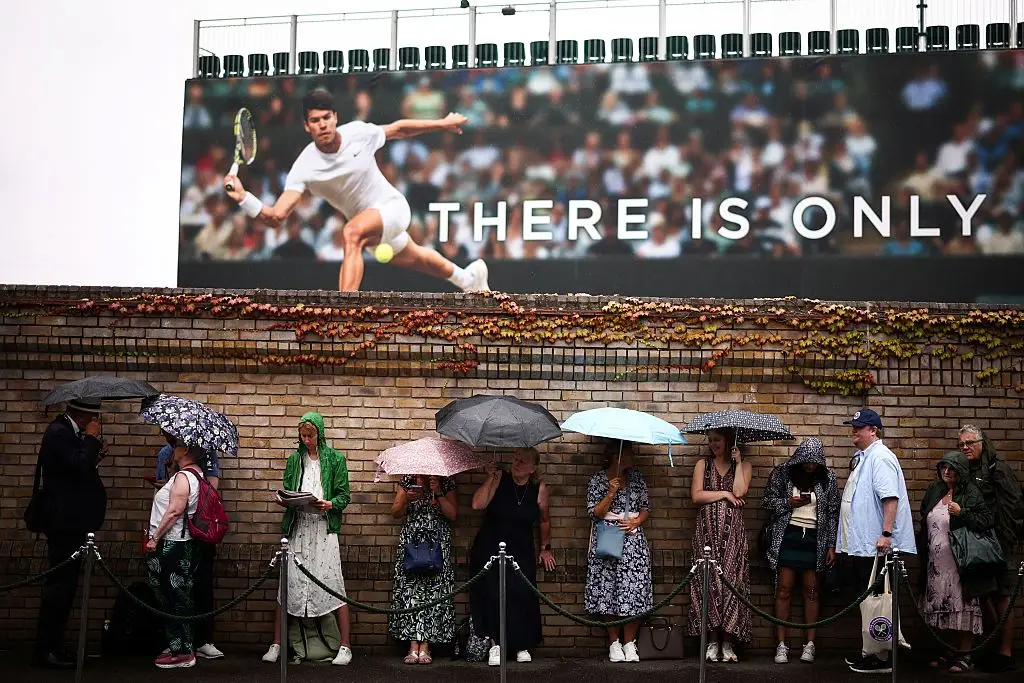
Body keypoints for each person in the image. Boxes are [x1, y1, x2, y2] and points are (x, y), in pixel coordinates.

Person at [223, 87, 490, 293]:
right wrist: (244, 197)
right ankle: (468, 279)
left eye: (326, 118)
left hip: (393, 208)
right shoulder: (304, 167)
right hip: (372, 232)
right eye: (315, 120)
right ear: (307, 126)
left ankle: (344, 316)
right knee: (419, 258)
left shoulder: (358, 133)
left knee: (350, 233)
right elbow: (275, 217)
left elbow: (399, 129)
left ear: (335, 118)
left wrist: (442, 123)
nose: (322, 124)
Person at [262, 412, 352, 666]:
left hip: (324, 529)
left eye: (310, 435)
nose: (306, 439)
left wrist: (329, 503)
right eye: (303, 435)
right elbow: (288, 490)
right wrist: (284, 500)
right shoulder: (294, 460)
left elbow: (344, 496)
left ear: (319, 433)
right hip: (299, 528)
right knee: (287, 585)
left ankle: (345, 646)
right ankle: (277, 643)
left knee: (333, 584)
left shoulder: (335, 459)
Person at [836, 408, 917, 675]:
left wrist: (886, 534)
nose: (854, 431)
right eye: (853, 426)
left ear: (873, 430)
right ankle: (872, 652)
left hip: (877, 546)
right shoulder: (865, 457)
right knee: (869, 601)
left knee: (878, 601)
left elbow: (890, 497)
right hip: (865, 546)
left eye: (859, 427)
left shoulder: (880, 457)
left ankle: (881, 657)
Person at [33, 398, 108, 669]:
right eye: (93, 415)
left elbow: (75, 470)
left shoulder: (68, 433)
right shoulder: (59, 433)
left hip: (73, 522)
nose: (96, 420)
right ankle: (46, 649)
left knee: (66, 588)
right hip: (64, 523)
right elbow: (77, 464)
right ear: (82, 414)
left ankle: (54, 646)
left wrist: (94, 453)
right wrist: (91, 440)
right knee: (59, 589)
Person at [469, 449, 556, 665]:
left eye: (523, 461)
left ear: (533, 468)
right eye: (515, 459)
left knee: (521, 594)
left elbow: (544, 520)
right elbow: (477, 504)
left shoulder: (538, 488)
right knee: (492, 595)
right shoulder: (500, 478)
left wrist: (545, 548)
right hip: (490, 546)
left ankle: (521, 644)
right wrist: (490, 478)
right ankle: (495, 645)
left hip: (521, 548)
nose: (517, 463)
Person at [762, 437, 840, 664]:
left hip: (815, 539)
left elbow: (833, 513)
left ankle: (810, 644)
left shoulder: (827, 478)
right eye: (806, 461)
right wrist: (788, 503)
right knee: (784, 589)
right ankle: (781, 645)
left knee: (812, 591)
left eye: (814, 462)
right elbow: (767, 501)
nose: (810, 465)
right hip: (788, 536)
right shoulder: (782, 474)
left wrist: (831, 545)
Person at [918, 451, 996, 674]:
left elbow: (986, 520)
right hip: (935, 563)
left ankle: (965, 654)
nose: (947, 471)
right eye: (944, 467)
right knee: (941, 608)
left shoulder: (970, 492)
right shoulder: (935, 490)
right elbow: (925, 516)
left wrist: (963, 512)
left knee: (962, 606)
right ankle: (948, 650)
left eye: (952, 468)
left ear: (961, 471)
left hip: (960, 563)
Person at [153, 432, 224, 661]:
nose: (169, 438)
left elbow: (208, 491)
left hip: (189, 533)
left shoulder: (203, 456)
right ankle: (179, 643)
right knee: (176, 592)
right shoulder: (166, 455)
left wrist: (155, 537)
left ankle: (197, 643)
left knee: (192, 588)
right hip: (176, 533)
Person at [957, 425, 1022, 673]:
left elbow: (1014, 506)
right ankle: (993, 647)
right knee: (983, 594)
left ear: (982, 442)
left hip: (999, 544)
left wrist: (1006, 540)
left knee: (1002, 596)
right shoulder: (968, 470)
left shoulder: (998, 469)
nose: (965, 448)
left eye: (970, 443)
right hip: (978, 544)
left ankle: (1005, 653)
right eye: (961, 444)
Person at [584, 440, 653, 664]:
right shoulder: (597, 480)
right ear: (617, 457)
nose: (633, 458)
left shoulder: (637, 479)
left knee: (634, 591)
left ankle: (629, 643)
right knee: (608, 591)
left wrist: (636, 521)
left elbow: (646, 508)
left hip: (633, 545)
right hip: (608, 541)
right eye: (630, 453)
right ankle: (614, 643)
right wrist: (611, 492)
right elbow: (594, 513)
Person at [688, 428, 752, 662]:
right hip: (707, 535)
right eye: (711, 440)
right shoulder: (702, 465)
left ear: (728, 441)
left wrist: (738, 462)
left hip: (733, 536)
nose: (713, 444)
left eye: (718, 440)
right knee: (709, 583)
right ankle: (712, 641)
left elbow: (740, 491)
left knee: (731, 583)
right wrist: (724, 493)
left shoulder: (744, 466)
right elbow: (696, 496)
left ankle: (728, 642)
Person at [144, 444, 207, 669]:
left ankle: (182, 652)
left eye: (178, 445)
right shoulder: (193, 474)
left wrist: (154, 538)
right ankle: (180, 647)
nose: (173, 448)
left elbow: (174, 511)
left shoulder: (184, 477)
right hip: (182, 543)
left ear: (186, 450)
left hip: (173, 544)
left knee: (173, 597)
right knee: (179, 596)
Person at [389, 474, 458, 665]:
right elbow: (395, 512)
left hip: (437, 545)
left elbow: (453, 514)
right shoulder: (408, 481)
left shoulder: (446, 482)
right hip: (412, 543)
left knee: (434, 593)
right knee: (411, 591)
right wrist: (406, 498)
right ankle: (413, 645)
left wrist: (439, 493)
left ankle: (426, 645)